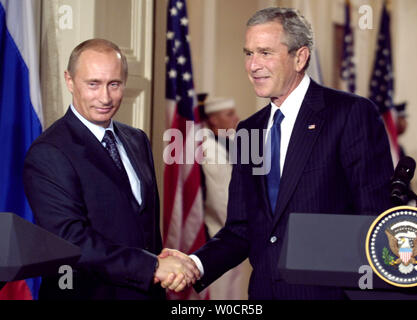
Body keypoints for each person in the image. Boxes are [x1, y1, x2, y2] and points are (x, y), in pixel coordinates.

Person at [161, 7, 394, 299]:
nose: (253, 65)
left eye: (265, 53)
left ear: (300, 57)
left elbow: (374, 218)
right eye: (248, 53)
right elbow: (241, 229)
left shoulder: (350, 114)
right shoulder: (249, 129)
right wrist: (194, 263)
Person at [23, 39, 198, 300]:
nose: (105, 97)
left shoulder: (136, 139)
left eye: (113, 84)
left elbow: (144, 229)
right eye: (93, 84)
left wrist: (161, 262)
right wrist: (153, 266)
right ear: (69, 81)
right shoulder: (49, 152)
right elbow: (72, 242)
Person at [199, 97, 251, 299]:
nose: (236, 118)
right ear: (213, 120)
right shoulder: (210, 150)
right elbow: (222, 199)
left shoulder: (225, 145)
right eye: (229, 115)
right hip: (217, 234)